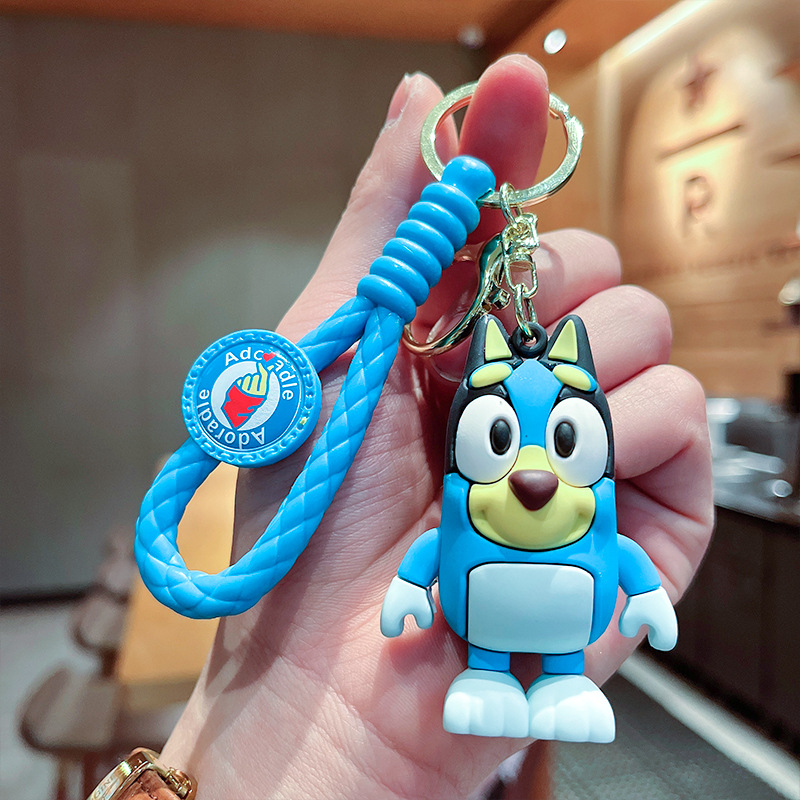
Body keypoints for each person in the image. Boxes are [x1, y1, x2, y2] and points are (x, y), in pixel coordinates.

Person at [159, 55, 713, 799]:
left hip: (557, 630)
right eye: (499, 441)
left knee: (558, 654)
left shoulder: (592, 506)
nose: (535, 474)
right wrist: (393, 605)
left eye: (566, 443)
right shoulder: (463, 496)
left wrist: (642, 595)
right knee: (487, 648)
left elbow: (623, 559)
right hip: (466, 635)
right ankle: (491, 675)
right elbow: (430, 553)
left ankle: (561, 682)